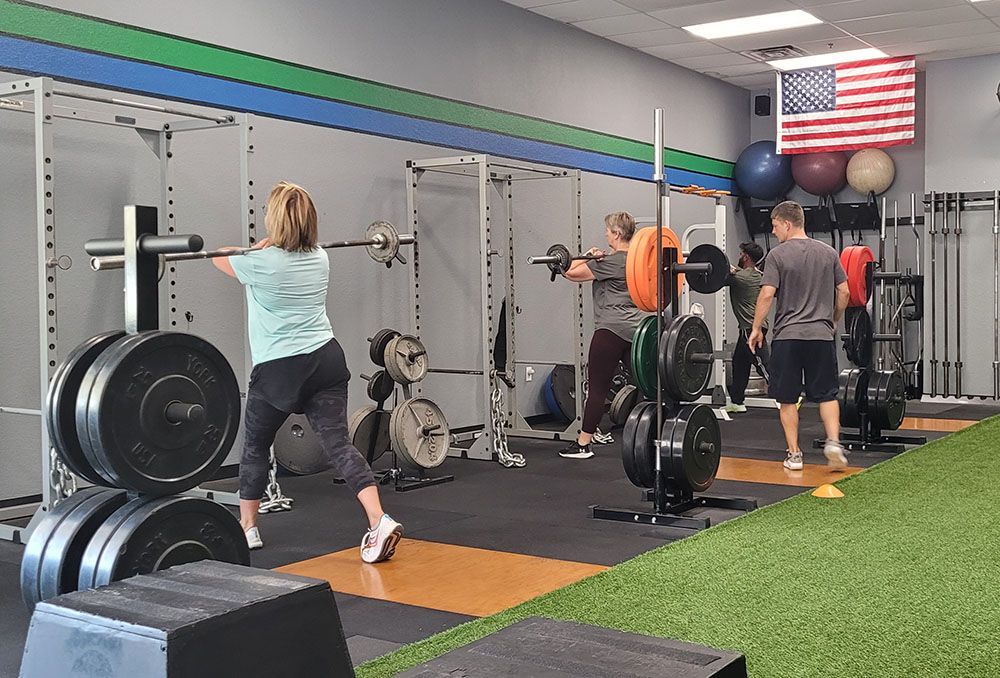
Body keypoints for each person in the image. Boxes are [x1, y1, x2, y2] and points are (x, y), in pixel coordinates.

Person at [213, 181, 402, 562]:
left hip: (278, 370)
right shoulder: (319, 257)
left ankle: (248, 528)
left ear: (274, 219)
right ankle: (378, 518)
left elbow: (218, 256)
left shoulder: (259, 262)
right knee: (338, 445)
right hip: (325, 361)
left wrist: (257, 246)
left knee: (254, 446)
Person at [748, 201, 850, 470]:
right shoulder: (828, 253)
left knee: (787, 398)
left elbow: (767, 294)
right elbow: (845, 293)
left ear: (787, 224)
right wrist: (833, 320)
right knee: (827, 394)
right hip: (821, 335)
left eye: (775, 226)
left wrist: (756, 328)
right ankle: (833, 443)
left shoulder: (777, 256)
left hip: (788, 337)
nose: (773, 231)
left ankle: (794, 455)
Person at [557, 212, 646, 459]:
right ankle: (661, 435)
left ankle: (583, 443)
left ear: (617, 234)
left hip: (610, 331)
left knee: (597, 388)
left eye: (607, 230)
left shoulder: (611, 261)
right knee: (650, 385)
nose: (605, 233)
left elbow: (570, 273)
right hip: (637, 331)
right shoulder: (640, 260)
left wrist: (588, 255)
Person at [725, 242, 770, 414]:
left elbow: (721, 277)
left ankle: (789, 396)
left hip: (751, 329)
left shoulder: (741, 278)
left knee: (764, 365)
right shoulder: (757, 275)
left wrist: (728, 268)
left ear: (746, 257)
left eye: (741, 253)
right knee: (740, 363)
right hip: (751, 327)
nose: (740, 255)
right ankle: (737, 401)